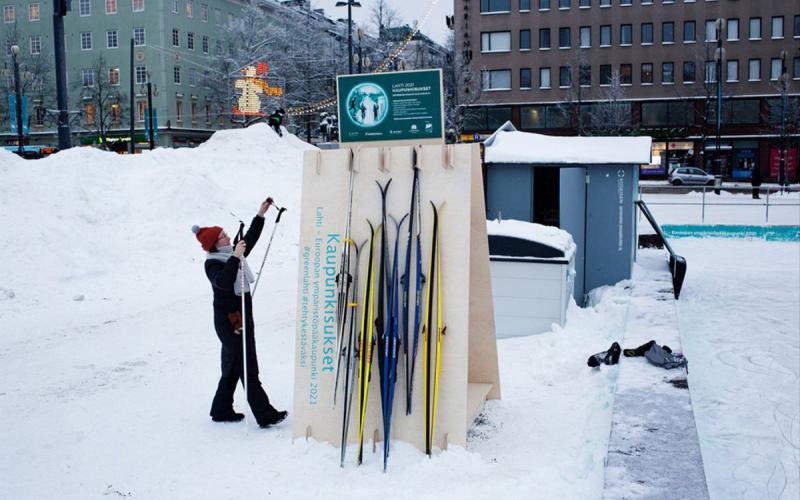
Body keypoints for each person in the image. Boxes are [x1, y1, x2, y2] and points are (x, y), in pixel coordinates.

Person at [192, 198, 287, 428]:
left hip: (242, 314)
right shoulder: (214, 262)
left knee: (233, 364)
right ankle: (264, 413)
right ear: (215, 243)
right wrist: (235, 256)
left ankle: (221, 408)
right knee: (247, 364)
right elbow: (223, 283)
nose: (227, 235)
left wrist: (260, 214)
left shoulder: (230, 252)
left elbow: (250, 239)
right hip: (230, 321)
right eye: (223, 235)